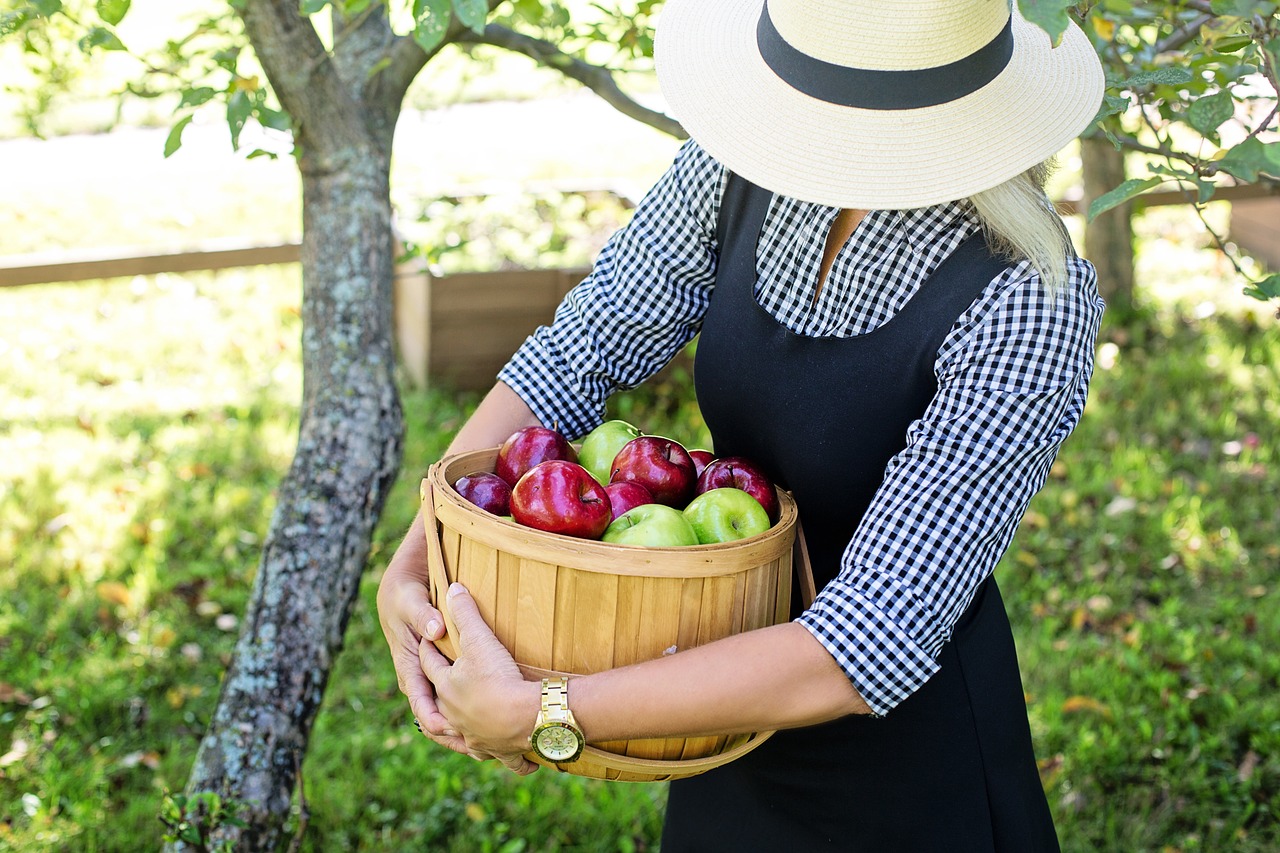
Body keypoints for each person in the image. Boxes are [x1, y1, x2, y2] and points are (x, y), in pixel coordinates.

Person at [377, 0, 1106, 848]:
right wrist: (422, 557)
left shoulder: (1028, 299)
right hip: (713, 705)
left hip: (897, 773)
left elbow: (868, 639)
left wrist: (545, 710)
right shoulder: (745, 170)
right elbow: (576, 354)